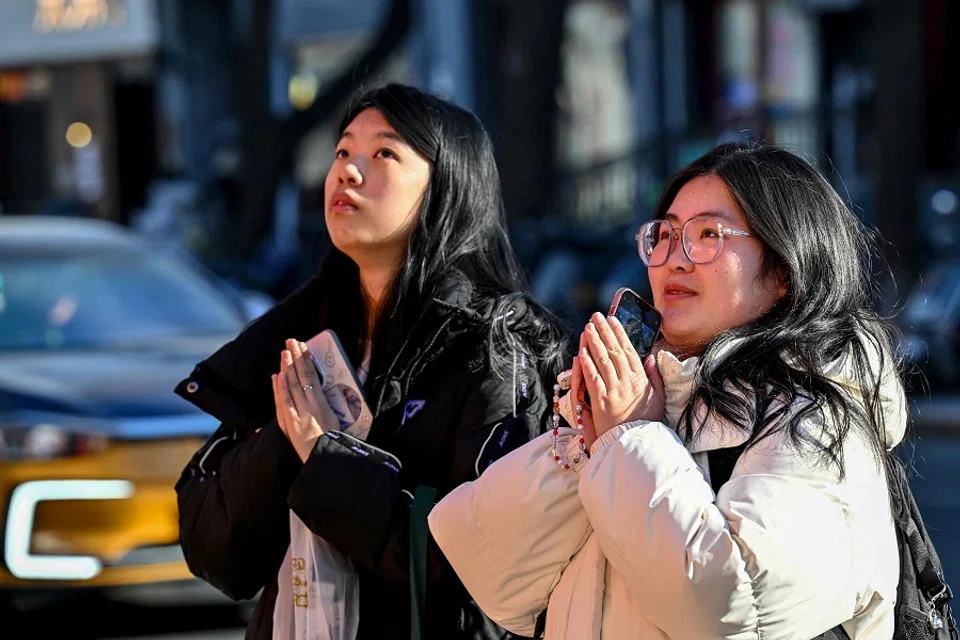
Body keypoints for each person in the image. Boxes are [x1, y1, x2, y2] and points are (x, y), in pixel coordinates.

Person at [429, 142, 906, 639]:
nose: (674, 260)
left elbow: (732, 606)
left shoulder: (821, 414)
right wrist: (592, 439)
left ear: (785, 268)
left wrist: (631, 436)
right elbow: (493, 573)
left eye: (707, 235)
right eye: (665, 235)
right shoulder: (654, 394)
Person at [174, 83, 567, 639]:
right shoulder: (297, 336)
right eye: (342, 152)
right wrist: (286, 445)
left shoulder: (491, 351)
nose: (348, 172)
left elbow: (481, 565)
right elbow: (214, 552)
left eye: (383, 153)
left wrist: (324, 456)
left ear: (446, 187)